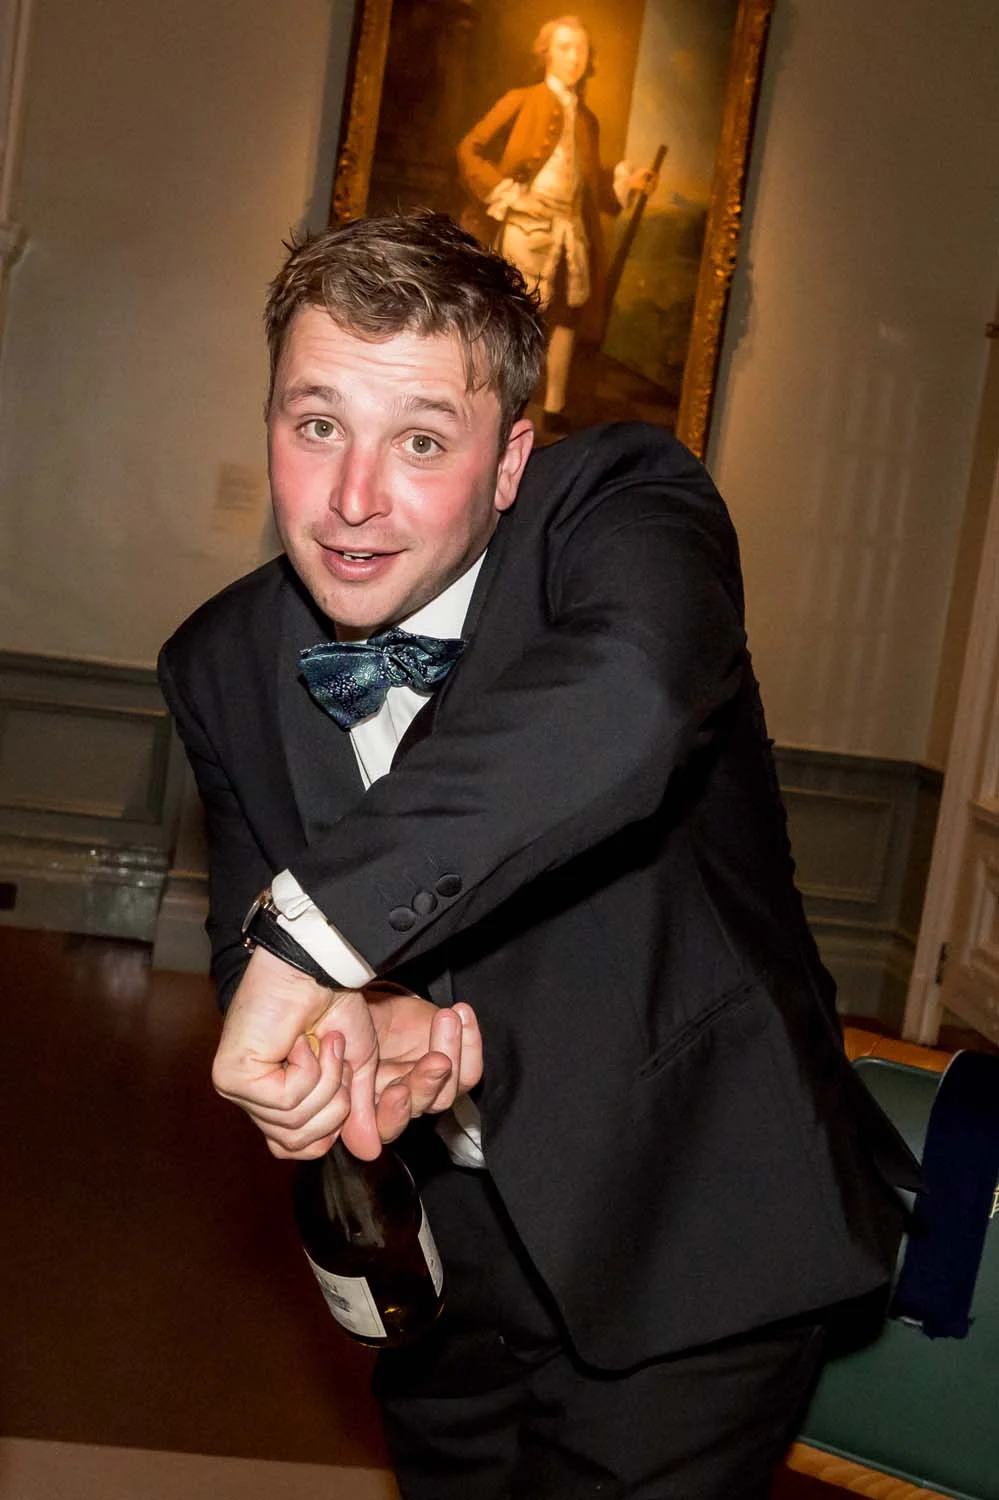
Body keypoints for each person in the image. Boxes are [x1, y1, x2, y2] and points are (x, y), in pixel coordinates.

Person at [158, 210, 918, 1500]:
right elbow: (251, 940)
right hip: (439, 1268)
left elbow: (631, 696)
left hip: (697, 1225)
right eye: (317, 424)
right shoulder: (219, 660)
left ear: (510, 460)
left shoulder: (624, 512)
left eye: (421, 440)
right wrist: (348, 1023)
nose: (353, 497)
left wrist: (316, 937)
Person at [457, 15, 656, 432]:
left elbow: (591, 185)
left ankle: (554, 409)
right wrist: (508, 194)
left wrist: (629, 182)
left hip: (569, 233)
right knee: (516, 313)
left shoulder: (587, 120)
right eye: (565, 48)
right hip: (525, 228)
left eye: (581, 49)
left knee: (566, 315)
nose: (574, 57)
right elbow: (469, 149)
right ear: (547, 53)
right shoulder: (521, 99)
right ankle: (496, 405)